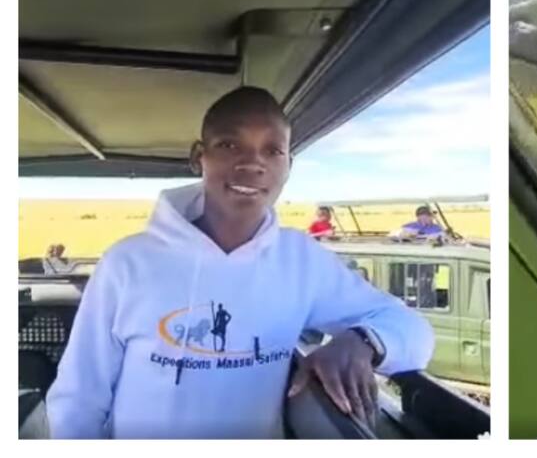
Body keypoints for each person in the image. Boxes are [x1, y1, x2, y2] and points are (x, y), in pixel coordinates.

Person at [45, 87, 434, 439]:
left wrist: (362, 341)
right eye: (230, 145)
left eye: (272, 150)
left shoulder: (301, 261)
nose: (253, 164)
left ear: (288, 165)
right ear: (199, 157)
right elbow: (79, 398)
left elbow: (413, 332)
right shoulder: (127, 263)